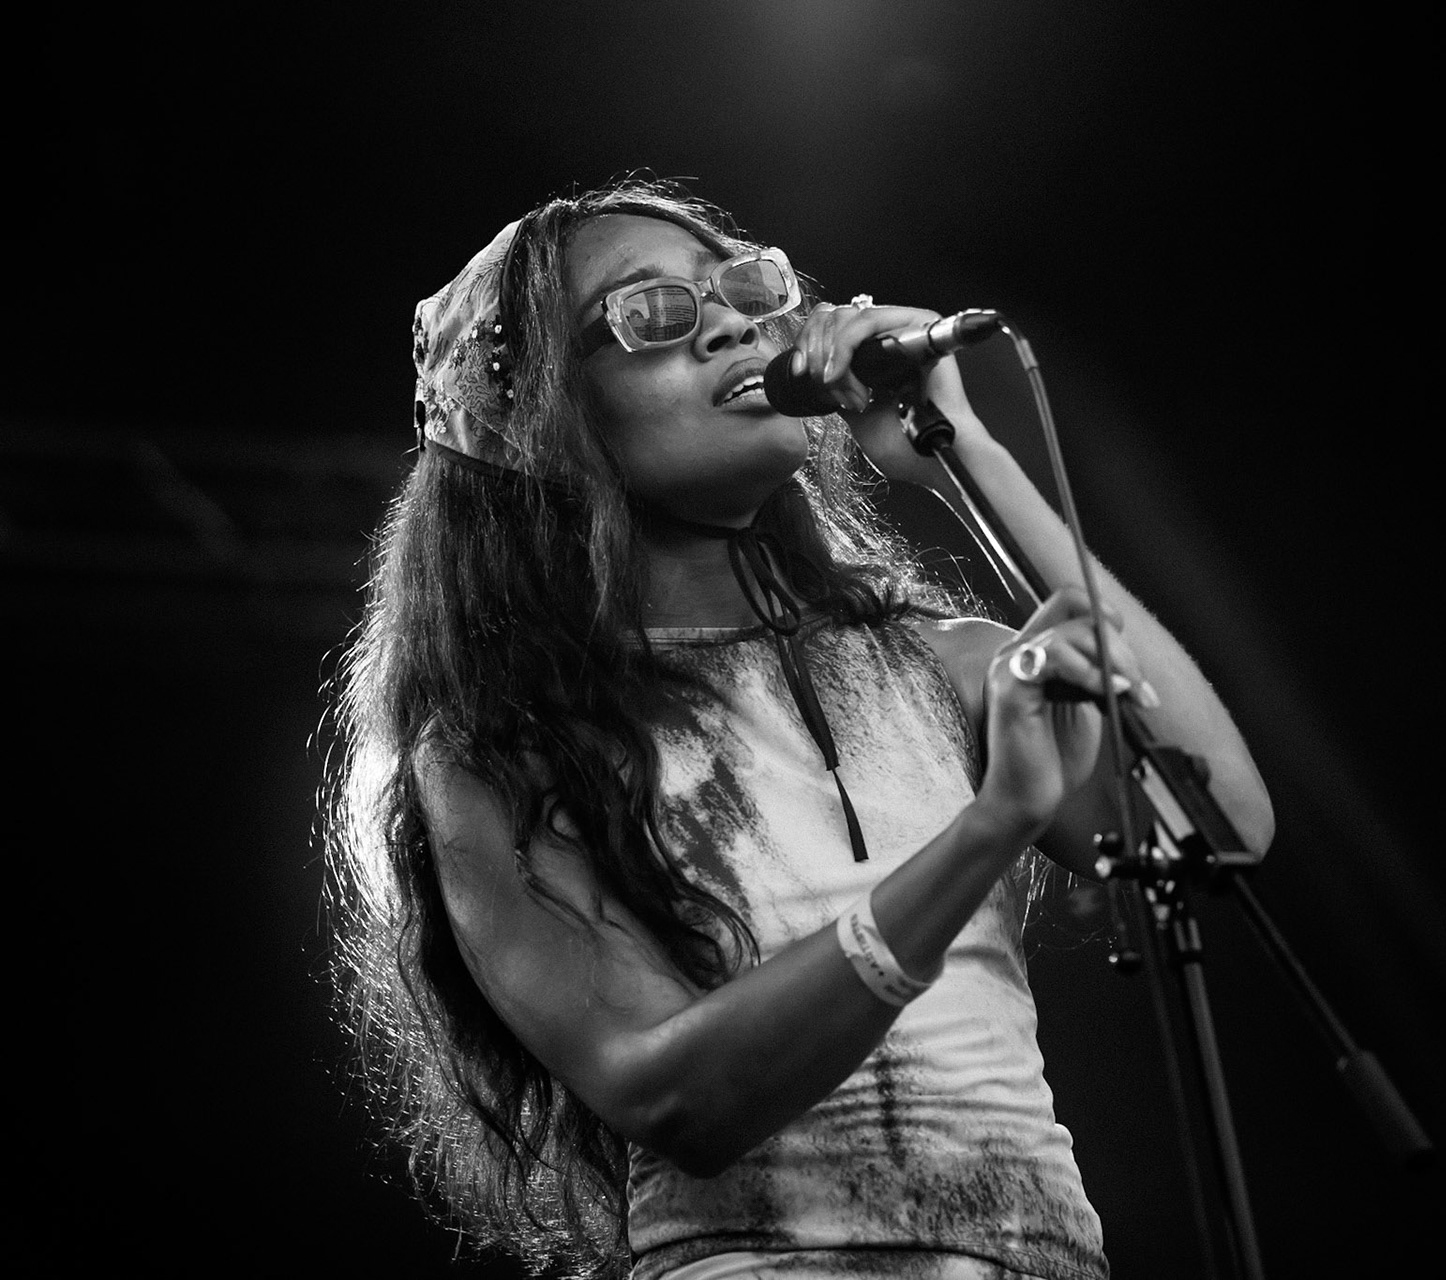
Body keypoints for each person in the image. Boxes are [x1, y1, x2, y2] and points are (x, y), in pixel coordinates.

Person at [324, 175, 1274, 1280]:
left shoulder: (940, 661)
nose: (732, 320)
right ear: (535, 422)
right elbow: (669, 1091)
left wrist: (959, 446)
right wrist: (986, 829)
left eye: (740, 285)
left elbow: (1215, 823)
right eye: (651, 314)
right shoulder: (507, 750)